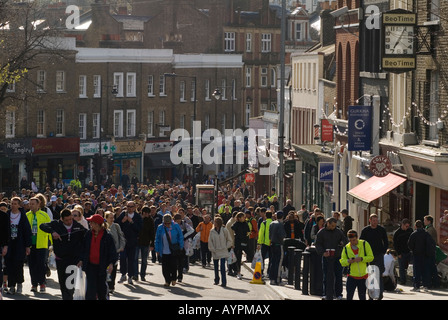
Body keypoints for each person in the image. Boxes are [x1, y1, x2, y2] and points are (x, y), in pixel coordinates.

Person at [39, 208, 87, 300]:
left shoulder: (78, 227)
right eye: (66, 220)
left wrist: (82, 258)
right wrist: (52, 232)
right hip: (61, 260)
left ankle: (68, 297)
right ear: (61, 219)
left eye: (70, 219)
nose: (69, 222)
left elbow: (86, 238)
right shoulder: (56, 224)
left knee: (70, 284)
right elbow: (42, 226)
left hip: (74, 260)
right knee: (63, 283)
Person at [78, 214, 118, 300]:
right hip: (90, 266)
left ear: (96, 224)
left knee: (101, 291)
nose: (90, 224)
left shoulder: (107, 236)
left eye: (91, 222)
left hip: (102, 267)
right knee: (90, 291)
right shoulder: (88, 234)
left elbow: (112, 252)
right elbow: (84, 248)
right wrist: (81, 259)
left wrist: (111, 263)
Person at [3, 197, 31, 295]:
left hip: (20, 244)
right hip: (9, 244)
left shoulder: (23, 216)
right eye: (12, 203)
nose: (13, 205)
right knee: (9, 264)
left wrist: (28, 246)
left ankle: (19, 283)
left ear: (19, 205)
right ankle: (11, 286)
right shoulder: (7, 215)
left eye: (15, 203)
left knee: (18, 265)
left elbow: (27, 231)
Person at [314, 217, 347, 300]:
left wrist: (342, 242)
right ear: (328, 223)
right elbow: (318, 244)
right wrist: (322, 253)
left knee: (338, 276)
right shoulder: (321, 232)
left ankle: (338, 294)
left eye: (335, 226)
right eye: (332, 225)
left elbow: (344, 240)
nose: (333, 227)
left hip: (337, 256)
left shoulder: (338, 231)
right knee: (326, 276)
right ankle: (326, 293)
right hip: (326, 257)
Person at [360, 214, 388, 299]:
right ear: (370, 220)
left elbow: (386, 241)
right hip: (368, 256)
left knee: (379, 274)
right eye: (373, 220)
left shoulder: (381, 230)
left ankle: (380, 294)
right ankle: (371, 295)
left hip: (379, 255)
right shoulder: (365, 230)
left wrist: (383, 251)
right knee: (370, 275)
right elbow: (361, 242)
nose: (375, 222)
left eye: (376, 220)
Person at [26, 197, 52, 293]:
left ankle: (42, 283)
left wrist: (52, 244)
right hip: (30, 245)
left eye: (33, 204)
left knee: (41, 264)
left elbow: (50, 229)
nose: (31, 205)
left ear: (38, 204)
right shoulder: (26, 215)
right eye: (30, 204)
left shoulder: (44, 215)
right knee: (32, 265)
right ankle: (34, 284)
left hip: (42, 244)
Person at [339, 229, 374, 300]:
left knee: (362, 296)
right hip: (351, 275)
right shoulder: (346, 248)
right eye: (350, 240)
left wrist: (362, 259)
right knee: (349, 296)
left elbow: (371, 257)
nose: (352, 242)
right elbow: (342, 261)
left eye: (354, 240)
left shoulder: (364, 244)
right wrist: (348, 261)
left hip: (363, 276)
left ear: (357, 237)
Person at [116, 200, 142, 284]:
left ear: (135, 207)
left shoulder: (137, 216)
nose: (129, 208)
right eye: (128, 206)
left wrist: (131, 222)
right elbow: (116, 225)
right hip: (123, 241)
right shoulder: (123, 214)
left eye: (131, 206)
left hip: (132, 242)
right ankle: (123, 274)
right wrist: (122, 221)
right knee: (122, 258)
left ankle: (130, 276)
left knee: (131, 259)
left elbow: (139, 229)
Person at [155, 214, 184, 287]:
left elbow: (180, 236)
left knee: (173, 266)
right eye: (165, 223)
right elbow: (157, 239)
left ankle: (174, 278)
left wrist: (181, 246)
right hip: (164, 250)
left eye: (169, 223)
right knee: (165, 267)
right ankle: (167, 280)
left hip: (173, 250)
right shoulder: (160, 227)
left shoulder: (176, 226)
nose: (167, 224)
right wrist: (157, 249)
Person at [408, 220, 435, 292]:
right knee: (425, 270)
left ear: (415, 226)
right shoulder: (426, 234)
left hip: (417, 255)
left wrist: (413, 249)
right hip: (425, 255)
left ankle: (416, 286)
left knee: (417, 271)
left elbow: (410, 245)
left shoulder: (414, 234)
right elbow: (431, 243)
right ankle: (426, 285)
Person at [104, 211, 126, 294]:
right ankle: (106, 284)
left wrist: (121, 247)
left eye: (113, 217)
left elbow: (121, 237)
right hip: (106, 252)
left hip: (115, 251)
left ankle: (111, 286)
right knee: (106, 269)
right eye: (110, 217)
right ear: (106, 218)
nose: (112, 219)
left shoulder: (116, 226)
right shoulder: (103, 226)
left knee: (113, 269)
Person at [208, 216, 232, 287]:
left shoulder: (224, 230)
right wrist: (212, 249)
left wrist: (226, 247)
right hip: (215, 251)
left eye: (215, 222)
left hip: (223, 251)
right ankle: (216, 280)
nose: (214, 223)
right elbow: (210, 241)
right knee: (215, 267)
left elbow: (229, 240)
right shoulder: (212, 231)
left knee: (222, 267)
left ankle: (224, 282)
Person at [135, 206, 155, 282]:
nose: (147, 215)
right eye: (145, 213)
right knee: (135, 259)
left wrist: (152, 243)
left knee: (144, 260)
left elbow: (152, 232)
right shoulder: (138, 218)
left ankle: (142, 275)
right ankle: (135, 275)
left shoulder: (150, 220)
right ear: (142, 212)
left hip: (146, 242)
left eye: (148, 213)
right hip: (137, 241)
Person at [392, 218, 413, 285]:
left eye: (408, 226)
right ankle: (403, 280)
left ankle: (413, 280)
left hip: (409, 251)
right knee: (402, 267)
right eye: (406, 226)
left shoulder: (410, 231)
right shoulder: (397, 233)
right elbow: (395, 244)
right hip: (401, 252)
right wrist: (398, 253)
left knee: (412, 266)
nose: (407, 228)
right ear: (402, 225)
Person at [268, 211, 286, 285]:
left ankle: (272, 278)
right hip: (279, 244)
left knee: (273, 261)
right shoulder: (280, 224)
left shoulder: (272, 223)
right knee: (279, 263)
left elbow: (269, 235)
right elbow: (282, 235)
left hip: (272, 244)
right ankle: (278, 279)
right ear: (282, 217)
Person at [231, 212, 250, 280]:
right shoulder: (236, 224)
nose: (244, 218)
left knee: (250, 254)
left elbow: (248, 231)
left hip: (244, 242)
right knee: (238, 258)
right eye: (242, 217)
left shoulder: (245, 223)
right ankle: (238, 272)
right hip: (238, 242)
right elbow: (232, 227)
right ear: (239, 218)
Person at [424, 215, 439, 288]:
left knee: (430, 267)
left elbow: (428, 241)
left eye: (425, 220)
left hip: (430, 251)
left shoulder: (430, 230)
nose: (424, 222)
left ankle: (431, 283)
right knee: (432, 267)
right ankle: (434, 283)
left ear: (429, 221)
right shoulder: (428, 229)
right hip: (431, 251)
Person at [257, 210, 273, 277]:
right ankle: (269, 272)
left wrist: (259, 242)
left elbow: (261, 233)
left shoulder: (264, 223)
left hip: (264, 243)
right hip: (271, 243)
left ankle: (261, 272)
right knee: (271, 258)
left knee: (262, 258)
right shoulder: (273, 223)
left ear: (266, 216)